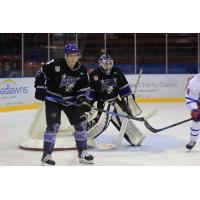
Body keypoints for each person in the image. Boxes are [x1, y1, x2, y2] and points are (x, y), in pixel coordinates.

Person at [34, 43, 94, 165]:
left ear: (78, 56)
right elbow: (40, 74)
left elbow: (83, 89)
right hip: (53, 99)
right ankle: (47, 156)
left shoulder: (82, 71)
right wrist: (40, 87)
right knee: (53, 126)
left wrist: (82, 100)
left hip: (70, 101)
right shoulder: (55, 64)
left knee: (81, 125)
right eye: (70, 55)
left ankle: (82, 153)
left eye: (75, 55)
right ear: (66, 56)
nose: (73, 58)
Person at [87, 54, 144, 146]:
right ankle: (85, 137)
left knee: (122, 119)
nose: (108, 66)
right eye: (106, 64)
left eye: (110, 63)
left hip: (115, 101)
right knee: (102, 123)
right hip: (101, 103)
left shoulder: (117, 72)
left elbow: (124, 89)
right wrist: (88, 103)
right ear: (101, 64)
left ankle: (135, 137)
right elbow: (91, 91)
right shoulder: (94, 74)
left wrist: (128, 104)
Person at [185, 73, 200, 150]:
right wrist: (194, 109)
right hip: (198, 103)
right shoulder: (194, 83)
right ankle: (193, 140)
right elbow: (190, 98)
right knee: (197, 121)